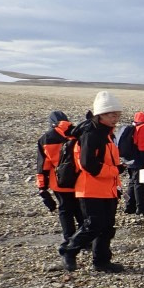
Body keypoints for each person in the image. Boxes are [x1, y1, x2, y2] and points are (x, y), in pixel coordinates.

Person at [61, 91, 125, 273]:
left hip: (107, 189)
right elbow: (89, 164)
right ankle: (69, 250)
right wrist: (115, 171)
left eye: (117, 115)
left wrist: (116, 184)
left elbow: (107, 162)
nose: (116, 118)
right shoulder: (91, 134)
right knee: (94, 224)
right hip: (90, 188)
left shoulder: (106, 134)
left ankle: (101, 261)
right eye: (112, 115)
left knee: (106, 227)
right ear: (101, 114)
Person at [36, 110, 84, 257]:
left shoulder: (46, 138)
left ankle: (69, 238)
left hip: (59, 182)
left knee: (65, 210)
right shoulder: (77, 133)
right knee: (80, 209)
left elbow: (43, 166)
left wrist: (42, 188)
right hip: (79, 180)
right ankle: (83, 238)